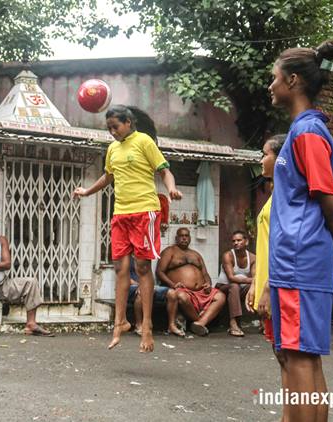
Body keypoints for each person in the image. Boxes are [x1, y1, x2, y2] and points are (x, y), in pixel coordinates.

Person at [266, 40, 333, 422]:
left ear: (293, 81)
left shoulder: (308, 133)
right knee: (305, 357)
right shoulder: (306, 130)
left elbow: (331, 204)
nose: (270, 86)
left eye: (274, 79)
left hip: (299, 258)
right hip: (303, 258)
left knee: (296, 357)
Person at [73, 105, 182, 353]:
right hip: (120, 214)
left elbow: (164, 171)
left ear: (129, 123)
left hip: (144, 212)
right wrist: (87, 191)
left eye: (116, 126)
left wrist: (171, 189)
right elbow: (108, 176)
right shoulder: (112, 148)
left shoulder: (143, 141)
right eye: (109, 128)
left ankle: (147, 327)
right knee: (120, 267)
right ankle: (120, 321)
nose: (112, 132)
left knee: (142, 267)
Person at [245, 134, 286, 412]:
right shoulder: (275, 193)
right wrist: (254, 283)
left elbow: (286, 247)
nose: (261, 159)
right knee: (280, 355)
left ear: (280, 158)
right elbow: (267, 244)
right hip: (267, 284)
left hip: (280, 286)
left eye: (265, 153)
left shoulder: (288, 195)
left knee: (289, 357)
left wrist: (269, 288)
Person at [0, 212, 53, 337]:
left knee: (31, 282)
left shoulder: (2, 240)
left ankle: (31, 324)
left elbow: (7, 264)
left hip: (2, 286)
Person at [156, 228, 226, 336]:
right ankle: (200, 321)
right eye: (181, 236)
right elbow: (160, 272)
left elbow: (205, 274)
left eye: (187, 236)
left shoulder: (196, 254)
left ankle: (199, 323)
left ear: (190, 238)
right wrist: (173, 285)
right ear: (176, 238)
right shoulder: (169, 251)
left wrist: (208, 284)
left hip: (201, 291)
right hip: (183, 290)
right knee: (181, 296)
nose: (184, 238)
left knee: (220, 296)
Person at [126, 257, 182, 337]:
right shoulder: (126, 258)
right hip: (130, 287)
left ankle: (172, 325)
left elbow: (148, 275)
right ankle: (139, 325)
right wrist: (142, 286)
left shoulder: (144, 256)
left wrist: (149, 286)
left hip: (146, 285)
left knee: (172, 294)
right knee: (142, 292)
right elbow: (124, 278)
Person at [215, 230, 255, 337]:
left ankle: (264, 321)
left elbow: (255, 278)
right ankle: (233, 323)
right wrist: (252, 280)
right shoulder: (228, 255)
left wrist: (254, 282)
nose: (236, 243)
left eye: (239, 240)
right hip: (223, 288)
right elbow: (231, 278)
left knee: (257, 287)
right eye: (234, 241)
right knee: (234, 285)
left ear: (246, 242)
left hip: (240, 289)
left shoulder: (252, 257)